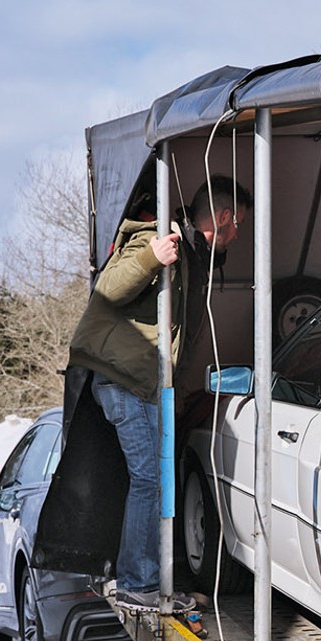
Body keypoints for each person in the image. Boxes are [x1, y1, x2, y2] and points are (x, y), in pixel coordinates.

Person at [65, 178, 251, 609]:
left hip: (142, 380)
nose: (239, 235)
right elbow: (108, 290)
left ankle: (147, 579)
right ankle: (139, 583)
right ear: (223, 218)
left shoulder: (190, 253)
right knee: (150, 478)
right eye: (239, 224)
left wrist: (178, 387)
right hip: (122, 377)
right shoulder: (154, 237)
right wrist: (151, 257)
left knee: (153, 478)